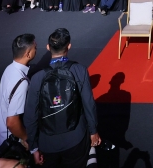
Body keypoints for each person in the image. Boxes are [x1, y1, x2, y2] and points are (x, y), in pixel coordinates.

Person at [24, 28, 100, 167]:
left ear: (48, 47)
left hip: (47, 142)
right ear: (69, 46)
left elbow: (30, 115)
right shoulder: (80, 70)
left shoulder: (37, 78)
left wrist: (33, 146)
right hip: (75, 138)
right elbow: (89, 104)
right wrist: (93, 131)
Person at [0, 33, 36, 154]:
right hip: (12, 145)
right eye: (35, 48)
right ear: (28, 54)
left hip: (1, 137)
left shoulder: (9, 69)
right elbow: (12, 122)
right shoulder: (22, 83)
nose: (36, 50)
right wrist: (27, 139)